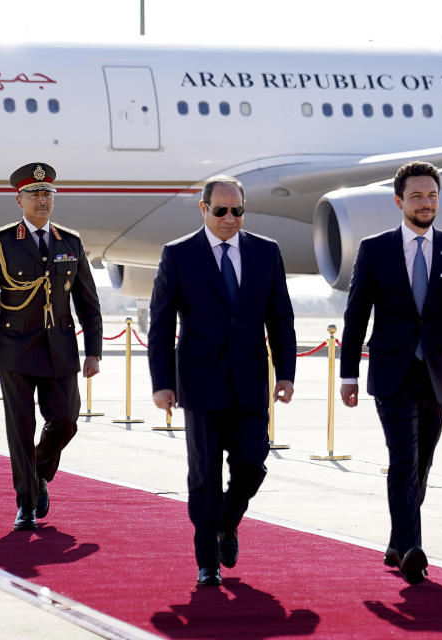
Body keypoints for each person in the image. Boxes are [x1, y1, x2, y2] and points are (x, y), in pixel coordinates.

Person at [339, 161, 442, 585]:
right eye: (416, 196)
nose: (425, 203)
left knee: (422, 466)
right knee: (403, 462)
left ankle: (397, 541)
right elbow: (356, 316)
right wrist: (348, 374)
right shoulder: (375, 250)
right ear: (399, 201)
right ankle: (412, 550)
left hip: (438, 374)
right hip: (392, 373)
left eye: (432, 196)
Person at [147, 175, 297, 587]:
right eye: (221, 211)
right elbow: (160, 325)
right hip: (200, 384)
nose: (230, 218)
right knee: (204, 476)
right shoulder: (178, 255)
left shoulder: (266, 253)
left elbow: (280, 317)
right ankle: (207, 562)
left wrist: (286, 373)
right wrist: (162, 382)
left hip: (250, 384)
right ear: (203, 209)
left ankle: (227, 523)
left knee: (252, 463)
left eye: (237, 210)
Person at [0, 162, 103, 532]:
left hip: (59, 347)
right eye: (34, 194)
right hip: (14, 347)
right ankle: (26, 503)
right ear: (19, 200)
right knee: (21, 426)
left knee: (66, 420)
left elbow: (88, 303)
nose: (42, 200)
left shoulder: (70, 242)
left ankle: (39, 473)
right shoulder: (0, 242)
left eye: (48, 194)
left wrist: (94, 350)